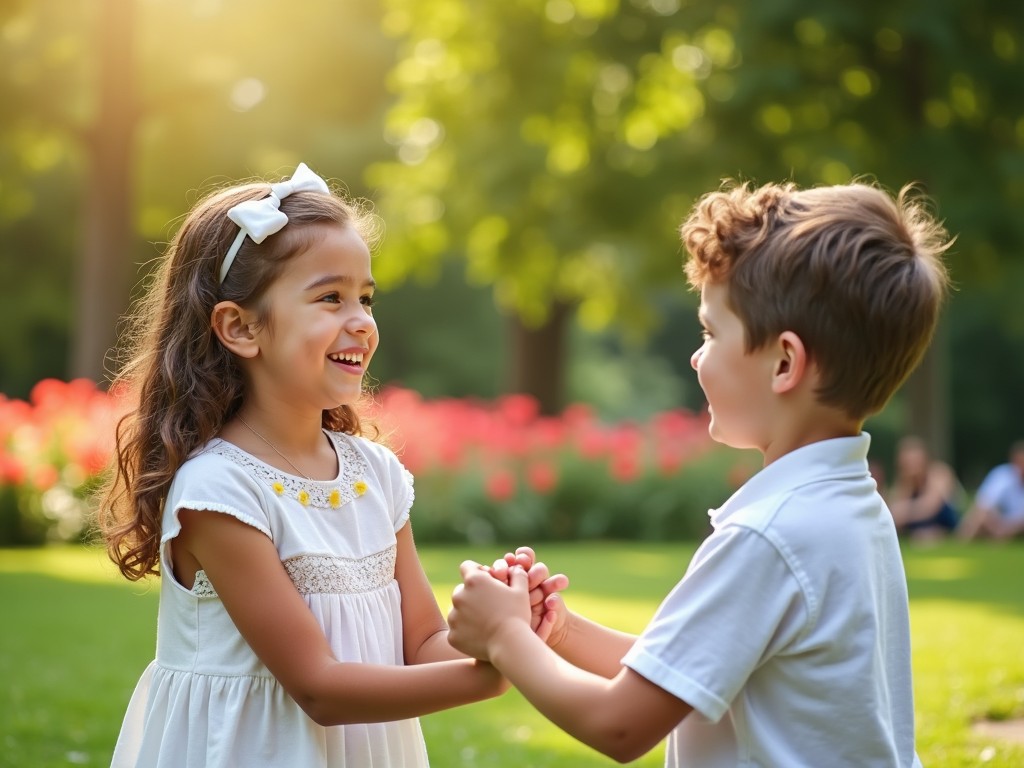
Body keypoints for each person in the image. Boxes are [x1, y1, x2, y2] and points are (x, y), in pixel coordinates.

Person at [448, 180, 952, 767]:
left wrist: (504, 637)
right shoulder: (848, 508)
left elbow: (621, 724)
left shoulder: (769, 536)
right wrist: (556, 633)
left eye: (711, 332)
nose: (696, 355)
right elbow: (687, 674)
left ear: (784, 362)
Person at [97, 162, 561, 767]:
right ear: (240, 327)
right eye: (330, 297)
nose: (362, 321)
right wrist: (493, 676)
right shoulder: (221, 490)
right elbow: (318, 686)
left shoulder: (375, 474)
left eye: (366, 298)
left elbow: (420, 643)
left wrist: (508, 634)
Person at [886, 435, 962, 541]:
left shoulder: (939, 472)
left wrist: (904, 511)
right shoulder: (904, 481)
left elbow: (931, 506)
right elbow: (894, 512)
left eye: (914, 460)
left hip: (947, 527)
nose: (911, 465)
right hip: (918, 532)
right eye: (907, 462)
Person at [957, 441, 1024, 540]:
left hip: (1017, 527)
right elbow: (984, 505)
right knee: (978, 517)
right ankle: (962, 541)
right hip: (998, 524)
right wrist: (997, 527)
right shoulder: (1002, 475)